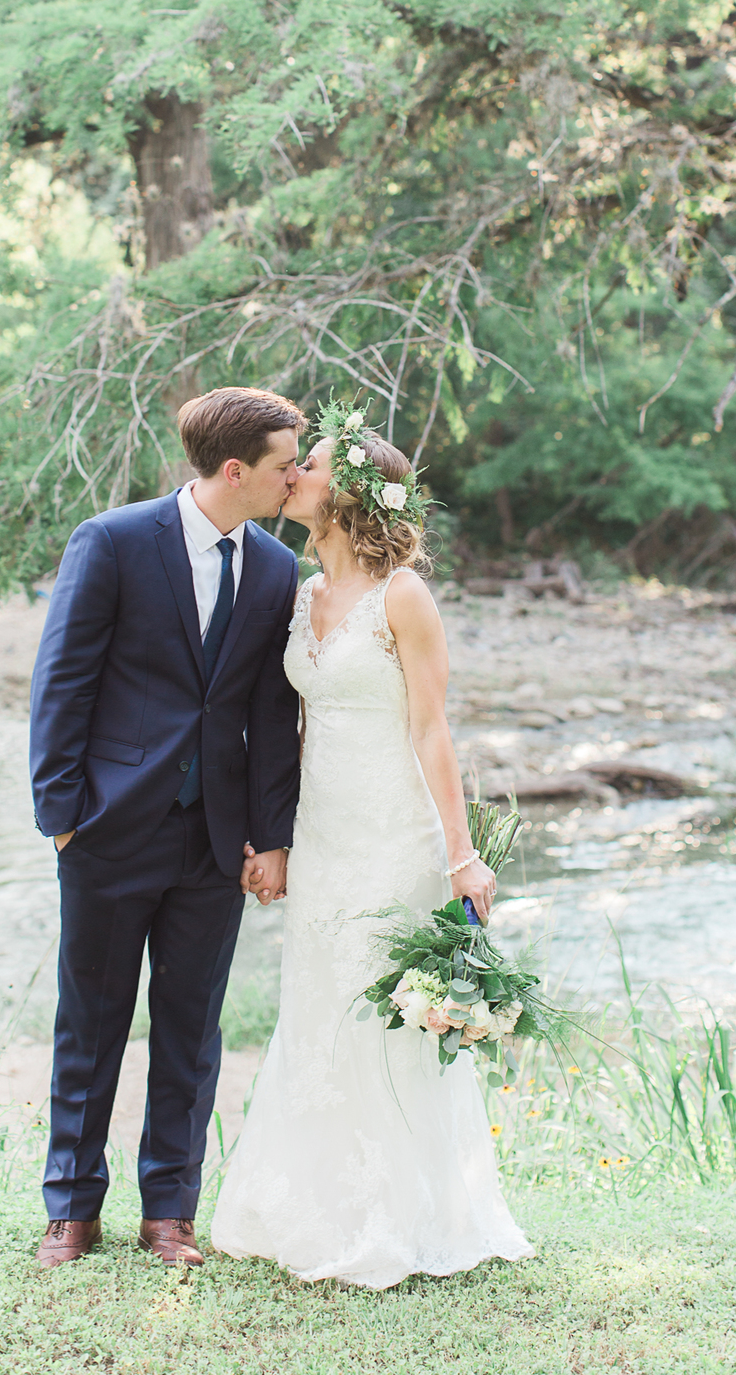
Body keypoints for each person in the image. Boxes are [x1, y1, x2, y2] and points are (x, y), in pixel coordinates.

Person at [208, 408, 533, 1286]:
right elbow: (292, 728)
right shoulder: (298, 592)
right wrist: (270, 835)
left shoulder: (404, 596)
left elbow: (432, 730)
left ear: (346, 491)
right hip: (322, 830)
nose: (293, 477)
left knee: (382, 1014)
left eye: (307, 466)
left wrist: (463, 856)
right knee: (318, 1005)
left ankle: (400, 1213)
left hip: (394, 830)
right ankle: (310, 1204)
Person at [28, 385, 307, 1268]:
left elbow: (271, 713)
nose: (294, 477)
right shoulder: (111, 541)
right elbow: (60, 684)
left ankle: (169, 1213)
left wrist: (271, 837)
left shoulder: (273, 568)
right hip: (109, 831)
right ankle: (71, 1209)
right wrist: (63, 818)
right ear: (235, 470)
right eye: (282, 464)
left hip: (213, 845)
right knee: (93, 1023)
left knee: (191, 1028)